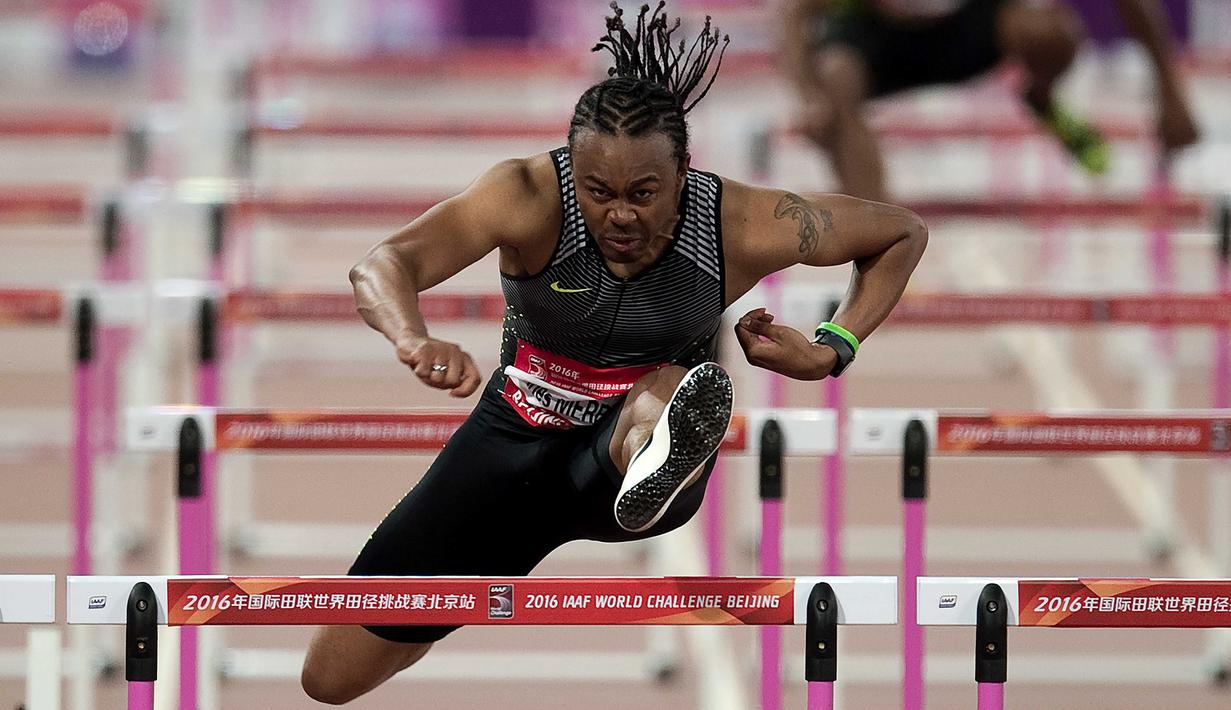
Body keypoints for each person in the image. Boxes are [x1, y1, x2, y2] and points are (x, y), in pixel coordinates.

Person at [301, 2, 927, 704]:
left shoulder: (741, 222)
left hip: (618, 466)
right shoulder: (528, 194)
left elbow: (897, 233)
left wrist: (831, 349)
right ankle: (449, 597)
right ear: (571, 171)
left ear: (685, 173)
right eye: (598, 193)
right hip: (509, 444)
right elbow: (384, 264)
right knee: (330, 679)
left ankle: (659, 450)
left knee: (668, 386)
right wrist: (411, 336)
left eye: (644, 193)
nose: (620, 214)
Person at [782, 0, 1202, 202]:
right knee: (834, 82)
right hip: (876, 45)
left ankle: (1041, 99)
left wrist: (1172, 97)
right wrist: (809, 101)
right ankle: (878, 234)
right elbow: (794, 15)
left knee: (1047, 30)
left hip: (969, 36)